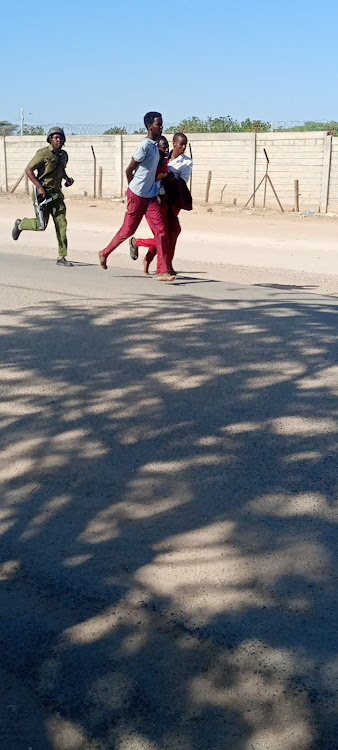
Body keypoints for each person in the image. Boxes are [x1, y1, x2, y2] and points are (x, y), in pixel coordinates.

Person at [98, 112, 175, 281]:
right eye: (158, 124)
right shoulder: (145, 146)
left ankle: (163, 270)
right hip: (138, 194)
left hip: (151, 196)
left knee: (161, 231)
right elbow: (129, 169)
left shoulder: (155, 147)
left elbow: (153, 173)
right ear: (150, 126)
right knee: (128, 230)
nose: (161, 126)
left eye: (161, 123)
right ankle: (104, 253)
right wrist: (132, 188)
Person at [130, 132, 192, 275]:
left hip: (172, 200)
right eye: (180, 144)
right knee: (162, 234)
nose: (183, 147)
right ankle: (160, 265)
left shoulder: (186, 161)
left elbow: (182, 182)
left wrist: (167, 177)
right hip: (155, 199)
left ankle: (164, 263)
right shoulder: (158, 157)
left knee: (172, 232)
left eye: (185, 145)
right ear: (174, 144)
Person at [11, 127, 74, 267]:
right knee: (41, 225)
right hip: (43, 194)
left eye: (61, 138)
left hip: (57, 195)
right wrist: (39, 187)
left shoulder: (64, 155)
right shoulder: (43, 153)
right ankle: (20, 224)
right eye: (56, 138)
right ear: (50, 139)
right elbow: (28, 170)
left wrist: (67, 179)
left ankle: (62, 256)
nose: (59, 140)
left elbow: (61, 170)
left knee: (61, 223)